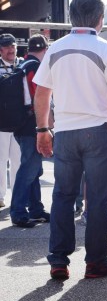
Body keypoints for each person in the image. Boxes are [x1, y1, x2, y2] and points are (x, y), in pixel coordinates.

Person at [33, 0, 107, 280]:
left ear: (72, 18)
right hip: (99, 132)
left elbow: (41, 92)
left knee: (62, 196)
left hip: (64, 132)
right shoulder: (106, 48)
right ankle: (96, 261)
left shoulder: (55, 48)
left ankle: (58, 261)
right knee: (97, 199)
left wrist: (42, 130)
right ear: (100, 19)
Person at [10, 34, 50, 228]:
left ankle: (36, 209)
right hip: (31, 125)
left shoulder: (22, 65)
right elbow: (39, 98)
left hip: (19, 124)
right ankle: (18, 211)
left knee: (33, 168)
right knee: (29, 169)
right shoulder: (36, 67)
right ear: (45, 49)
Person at [0, 33, 22, 209]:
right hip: (1, 123)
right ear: (0, 50)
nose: (11, 49)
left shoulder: (22, 64)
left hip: (20, 124)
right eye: (7, 47)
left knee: (18, 161)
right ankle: (0, 196)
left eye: (12, 46)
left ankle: (17, 195)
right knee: (0, 161)